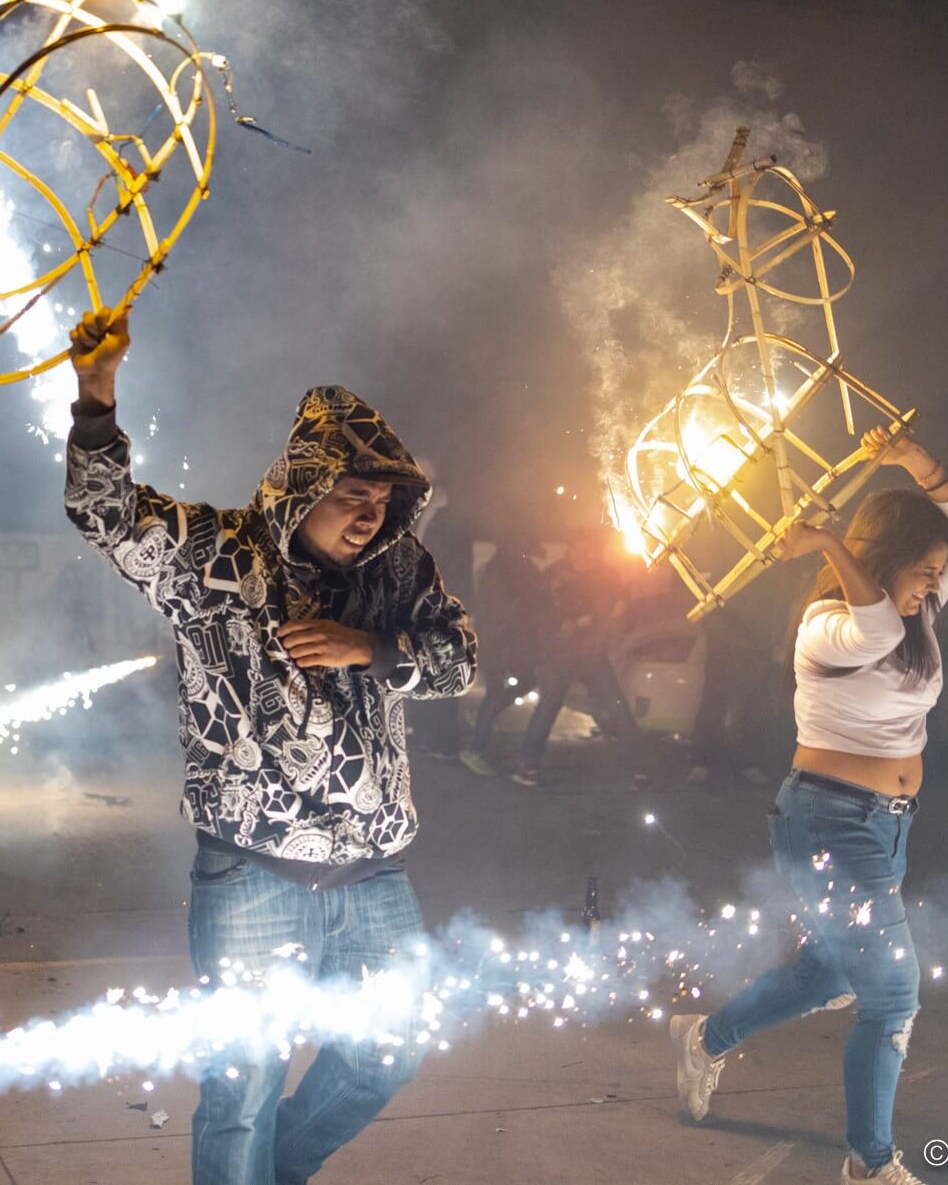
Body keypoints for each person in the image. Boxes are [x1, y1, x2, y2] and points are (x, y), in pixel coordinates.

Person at [62, 309, 476, 1185]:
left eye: (380, 504)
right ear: (303, 487)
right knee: (241, 1089)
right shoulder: (216, 555)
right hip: (253, 876)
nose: (368, 519)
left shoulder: (398, 574)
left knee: (389, 1053)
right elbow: (103, 512)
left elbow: (460, 660)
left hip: (375, 874)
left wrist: (373, 649)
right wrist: (97, 397)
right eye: (350, 498)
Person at [670, 428, 948, 1185]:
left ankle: (705, 1036)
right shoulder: (826, 629)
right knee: (893, 990)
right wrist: (832, 545)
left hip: (886, 826)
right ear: (882, 561)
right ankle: (870, 1164)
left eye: (938, 575)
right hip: (829, 821)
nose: (933, 586)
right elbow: (874, 623)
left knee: (837, 972)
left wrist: (912, 459)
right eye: (922, 571)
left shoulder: (920, 612)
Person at [459, 523, 641, 787]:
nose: (584, 557)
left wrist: (606, 619)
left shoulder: (607, 577)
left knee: (615, 705)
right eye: (578, 551)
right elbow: (541, 617)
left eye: (590, 552)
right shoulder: (554, 576)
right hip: (557, 655)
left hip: (592, 654)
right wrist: (569, 626)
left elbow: (616, 612)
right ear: (570, 550)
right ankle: (525, 765)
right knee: (547, 704)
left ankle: (638, 768)